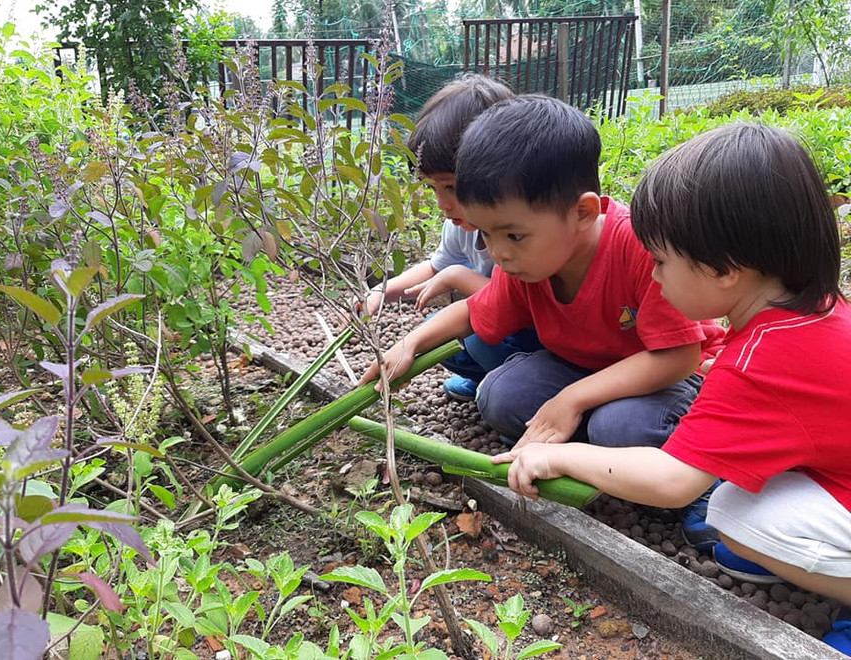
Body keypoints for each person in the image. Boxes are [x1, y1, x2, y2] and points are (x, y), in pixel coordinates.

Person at [492, 123, 851, 655]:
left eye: (661, 261)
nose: (654, 279)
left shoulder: (759, 360)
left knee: (731, 512)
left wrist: (563, 457)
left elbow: (673, 483)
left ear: (725, 268)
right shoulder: (813, 310)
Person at [361, 95, 724, 453]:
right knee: (500, 397)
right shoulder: (525, 259)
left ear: (582, 212)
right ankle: (592, 443)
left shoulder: (636, 246)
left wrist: (572, 399)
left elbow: (679, 357)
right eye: (487, 234)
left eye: (513, 235)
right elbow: (474, 312)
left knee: (621, 427)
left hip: (669, 377)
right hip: (580, 367)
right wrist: (410, 344)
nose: (498, 252)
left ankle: (699, 470)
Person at [364, 73, 540, 402]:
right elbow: (436, 265)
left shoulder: (527, 233)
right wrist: (381, 291)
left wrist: (457, 276)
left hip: (538, 336)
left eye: (452, 187)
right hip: (502, 327)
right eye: (433, 188)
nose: (443, 204)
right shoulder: (460, 223)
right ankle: (492, 381)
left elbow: (526, 307)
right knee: (440, 332)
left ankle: (519, 392)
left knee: (473, 336)